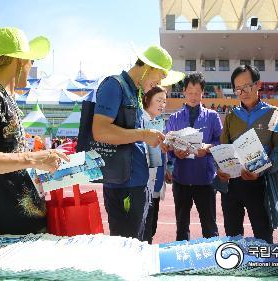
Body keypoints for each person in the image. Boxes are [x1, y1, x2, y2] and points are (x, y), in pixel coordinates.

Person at [0, 27, 69, 235]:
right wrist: (33, 158)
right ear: (19, 62)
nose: (31, 67)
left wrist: (41, 161)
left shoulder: (3, 97)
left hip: (21, 223)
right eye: (31, 61)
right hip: (10, 227)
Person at [92, 45, 184, 240]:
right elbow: (100, 131)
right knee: (126, 246)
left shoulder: (135, 92)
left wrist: (157, 142)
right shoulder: (113, 85)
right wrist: (143, 134)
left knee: (139, 243)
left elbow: (134, 138)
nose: (161, 81)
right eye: (160, 74)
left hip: (138, 182)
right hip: (123, 184)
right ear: (148, 67)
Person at [217, 65, 278, 244]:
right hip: (232, 186)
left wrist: (260, 170)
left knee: (263, 237)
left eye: (247, 86)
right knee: (233, 240)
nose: (242, 92)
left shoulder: (274, 113)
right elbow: (224, 148)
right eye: (238, 89)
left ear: (258, 85)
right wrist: (221, 169)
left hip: (261, 185)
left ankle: (266, 267)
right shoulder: (232, 116)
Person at [165, 72, 222, 241]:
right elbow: (167, 145)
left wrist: (208, 148)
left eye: (197, 92)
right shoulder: (174, 117)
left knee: (209, 226)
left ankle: (213, 259)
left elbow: (220, 143)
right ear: (184, 92)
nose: (193, 96)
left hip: (205, 180)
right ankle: (182, 263)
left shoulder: (212, 116)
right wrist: (174, 152)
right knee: (182, 226)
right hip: (181, 179)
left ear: (203, 93)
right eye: (190, 92)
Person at [141, 86, 167, 244]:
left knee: (151, 229)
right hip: (142, 186)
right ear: (146, 100)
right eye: (158, 100)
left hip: (154, 185)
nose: (162, 105)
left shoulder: (157, 123)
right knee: (143, 232)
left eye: (164, 101)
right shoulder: (140, 121)